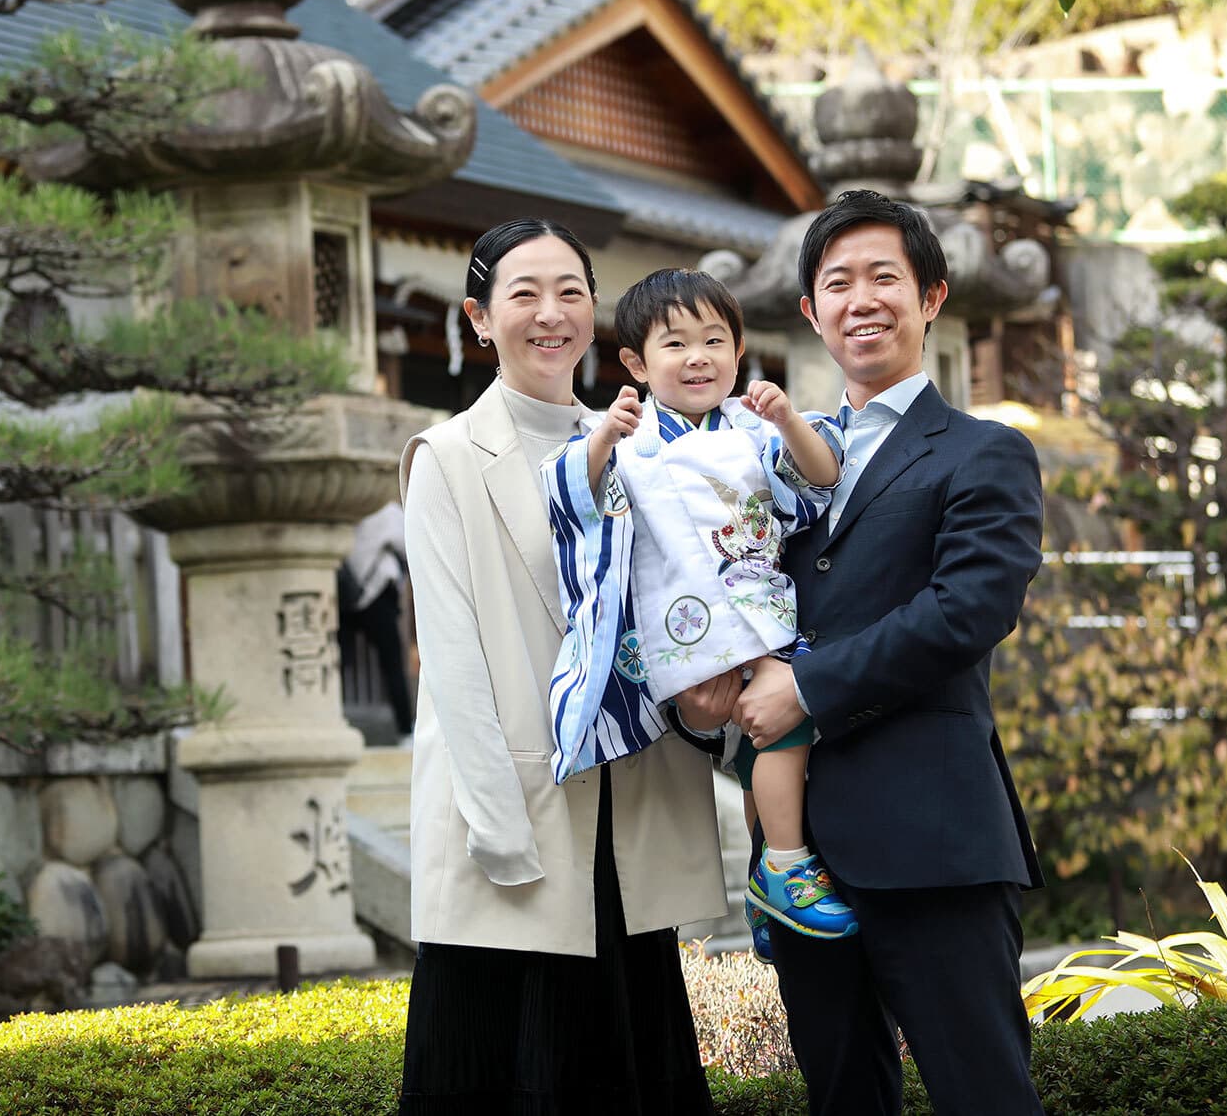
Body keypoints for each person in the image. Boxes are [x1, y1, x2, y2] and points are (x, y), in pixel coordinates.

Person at [397, 220, 732, 1116]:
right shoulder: (447, 460)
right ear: (479, 317)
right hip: (514, 828)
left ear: (597, 314)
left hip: (627, 822)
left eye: (572, 292)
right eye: (524, 293)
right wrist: (499, 832)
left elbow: (693, 612)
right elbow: (454, 663)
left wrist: (709, 715)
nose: (551, 314)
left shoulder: (651, 444)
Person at [732, 189, 1047, 1116]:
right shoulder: (772, 465)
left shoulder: (985, 452)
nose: (861, 299)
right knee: (841, 1097)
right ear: (810, 312)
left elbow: (967, 610)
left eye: (884, 278)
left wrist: (809, 688)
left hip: (933, 837)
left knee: (984, 1093)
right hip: (799, 854)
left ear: (933, 297)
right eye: (838, 283)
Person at [539, 268, 856, 958]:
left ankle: (770, 881)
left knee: (764, 746)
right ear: (634, 362)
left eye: (715, 340)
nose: (698, 356)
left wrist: (789, 419)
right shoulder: (626, 433)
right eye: (675, 343)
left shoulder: (751, 428)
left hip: (755, 610)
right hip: (687, 632)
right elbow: (571, 495)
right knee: (783, 731)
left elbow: (823, 477)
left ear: (739, 351)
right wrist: (601, 441)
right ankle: (787, 864)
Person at [338, 500, 414, 741]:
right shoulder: (386, 512)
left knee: (339, 664)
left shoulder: (343, 510)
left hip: (347, 592)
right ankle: (405, 730)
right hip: (377, 593)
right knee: (392, 665)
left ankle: (336, 723)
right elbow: (408, 545)